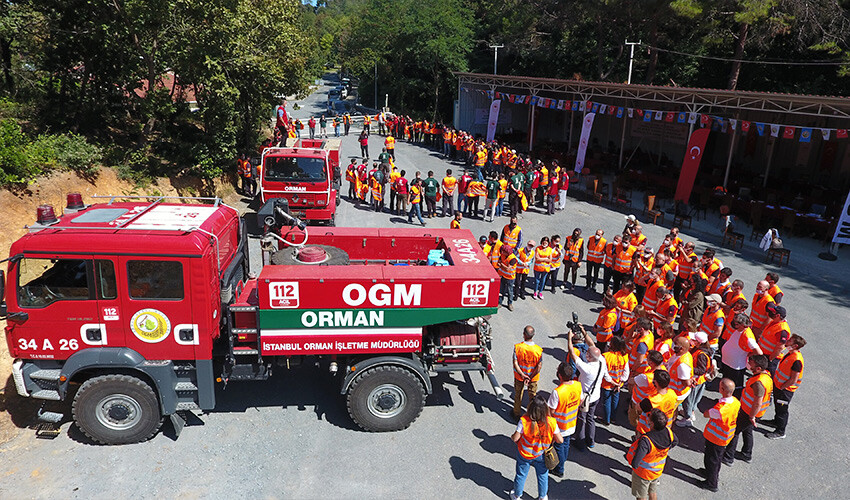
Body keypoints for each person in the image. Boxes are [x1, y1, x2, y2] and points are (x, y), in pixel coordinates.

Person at [510, 394, 562, 500]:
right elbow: (560, 440)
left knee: (521, 474)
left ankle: (517, 495)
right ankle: (542, 497)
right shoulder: (551, 422)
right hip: (542, 454)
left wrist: (513, 437)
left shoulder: (524, 420)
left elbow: (515, 438)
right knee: (543, 476)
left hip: (525, 453)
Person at [724, 354, 772, 464]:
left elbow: (757, 403)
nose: (749, 365)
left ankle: (728, 457)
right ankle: (746, 453)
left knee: (734, 431)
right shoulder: (766, 376)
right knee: (747, 431)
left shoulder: (758, 383)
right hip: (752, 412)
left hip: (749, 412)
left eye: (751, 364)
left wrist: (751, 416)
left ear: (758, 368)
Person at [569, 325, 608, 450]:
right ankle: (590, 440)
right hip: (595, 396)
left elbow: (572, 354)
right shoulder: (602, 360)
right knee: (591, 418)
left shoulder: (586, 368)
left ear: (589, 357)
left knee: (582, 418)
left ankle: (579, 441)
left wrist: (569, 339)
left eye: (587, 353)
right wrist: (584, 332)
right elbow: (592, 345)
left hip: (585, 398)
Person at [627, 408, 678, 500]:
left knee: (641, 496)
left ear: (652, 424)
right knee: (652, 492)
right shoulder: (668, 432)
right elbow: (675, 442)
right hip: (657, 471)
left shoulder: (646, 440)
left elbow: (635, 463)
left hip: (643, 473)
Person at [763, 334, 806, 440]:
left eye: (790, 340)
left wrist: (782, 387)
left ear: (795, 345)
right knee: (778, 407)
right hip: (780, 386)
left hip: (785, 390)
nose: (787, 340)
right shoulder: (790, 354)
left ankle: (780, 432)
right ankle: (776, 422)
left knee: (782, 410)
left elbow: (793, 379)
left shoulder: (796, 360)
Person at [701, 378, 740, 493]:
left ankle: (711, 483)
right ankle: (709, 473)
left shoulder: (720, 409)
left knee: (712, 459)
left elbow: (706, 414)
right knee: (716, 459)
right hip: (725, 435)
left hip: (716, 437)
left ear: (722, 389)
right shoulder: (735, 401)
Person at [547, 362, 582, 477]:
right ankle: (562, 461)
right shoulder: (577, 385)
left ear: (560, 376)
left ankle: (559, 468)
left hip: (560, 426)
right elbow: (580, 401)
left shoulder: (558, 392)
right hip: (572, 423)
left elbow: (550, 411)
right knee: (566, 444)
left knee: (559, 446)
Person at [677, 331, 713, 427]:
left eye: (693, 340)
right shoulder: (702, 351)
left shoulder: (701, 354)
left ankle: (687, 419)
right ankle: (690, 413)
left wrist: (689, 368)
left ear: (699, 343)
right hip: (700, 380)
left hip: (696, 380)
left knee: (689, 400)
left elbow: (701, 370)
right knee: (693, 400)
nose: (691, 340)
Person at [720, 313, 763, 392]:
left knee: (735, 387)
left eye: (736, 323)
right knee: (726, 384)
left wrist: (749, 355)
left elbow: (759, 352)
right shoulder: (739, 330)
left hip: (736, 366)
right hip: (729, 363)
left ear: (744, 325)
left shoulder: (747, 336)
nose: (734, 324)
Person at [512, 325, 543, 419]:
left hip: (519, 377)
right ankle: (531, 415)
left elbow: (515, 363)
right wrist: (529, 376)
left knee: (518, 395)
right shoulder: (538, 350)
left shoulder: (518, 347)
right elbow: (539, 366)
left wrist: (523, 375)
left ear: (524, 334)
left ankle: (516, 413)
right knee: (532, 397)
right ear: (533, 335)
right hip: (533, 378)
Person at [635, 370, 678, 435]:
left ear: (655, 383)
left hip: (647, 430)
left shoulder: (651, 401)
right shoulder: (672, 393)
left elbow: (638, 407)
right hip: (665, 427)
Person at [600, 336, 630, 426]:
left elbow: (605, 373)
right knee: (615, 400)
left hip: (607, 384)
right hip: (618, 384)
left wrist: (612, 382)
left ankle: (606, 419)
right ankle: (613, 417)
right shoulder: (624, 356)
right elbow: (626, 372)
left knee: (607, 402)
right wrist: (619, 383)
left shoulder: (606, 356)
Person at [759, 305, 789, 374]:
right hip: (764, 354)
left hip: (770, 357)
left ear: (777, 315)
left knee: (768, 375)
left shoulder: (782, 330)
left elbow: (780, 347)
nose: (770, 313)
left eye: (773, 312)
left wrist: (771, 358)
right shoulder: (774, 322)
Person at [498, 244, 518, 311]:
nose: (502, 252)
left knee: (510, 291)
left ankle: (510, 304)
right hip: (503, 276)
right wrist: (501, 265)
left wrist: (501, 265)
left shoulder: (513, 259)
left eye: (504, 251)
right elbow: (499, 262)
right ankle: (499, 303)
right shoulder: (502, 255)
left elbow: (507, 269)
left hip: (510, 277)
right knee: (501, 290)